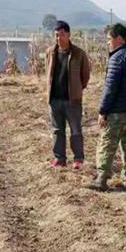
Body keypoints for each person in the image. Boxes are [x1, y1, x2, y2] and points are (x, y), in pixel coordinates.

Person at [92, 23, 126, 190]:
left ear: (119, 38)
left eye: (109, 39)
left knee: (107, 144)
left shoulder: (117, 58)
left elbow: (110, 87)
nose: (108, 42)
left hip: (117, 112)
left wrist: (103, 111)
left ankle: (101, 179)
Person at [44, 20, 91, 169]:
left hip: (72, 100)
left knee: (76, 130)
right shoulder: (50, 52)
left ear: (69, 35)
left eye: (62, 35)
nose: (59, 38)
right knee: (57, 131)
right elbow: (48, 72)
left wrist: (77, 88)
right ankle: (60, 158)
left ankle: (78, 159)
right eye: (56, 35)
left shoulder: (78, 53)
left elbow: (85, 76)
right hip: (55, 99)